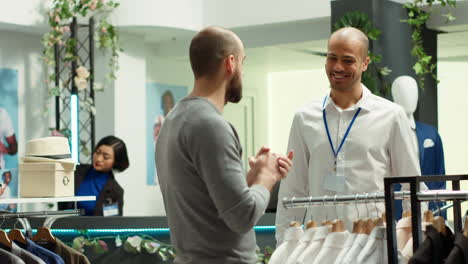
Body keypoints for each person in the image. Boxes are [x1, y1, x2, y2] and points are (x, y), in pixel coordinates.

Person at [275, 27, 426, 245]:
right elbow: (292, 190)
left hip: (374, 244)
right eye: (331, 58)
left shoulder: (392, 116)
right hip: (318, 246)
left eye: (347, 60)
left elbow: (411, 184)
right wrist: (284, 246)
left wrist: (412, 244)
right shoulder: (304, 117)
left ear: (365, 63)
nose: (337, 67)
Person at [156, 26, 294, 264]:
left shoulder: (174, 119)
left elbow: (213, 205)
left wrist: (249, 180)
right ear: (230, 63)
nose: (243, 70)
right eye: (243, 62)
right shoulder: (211, 125)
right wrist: (266, 177)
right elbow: (242, 216)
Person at [392, 75, 446, 219]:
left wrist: (441, 213)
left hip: (429, 209)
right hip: (397, 209)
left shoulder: (431, 133)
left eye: (412, 92)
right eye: (402, 93)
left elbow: (440, 176)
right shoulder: (388, 133)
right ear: (394, 97)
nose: (408, 97)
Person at [60, 136, 129, 216]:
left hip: (92, 228)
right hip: (64, 226)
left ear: (116, 161)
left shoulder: (115, 191)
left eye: (105, 157)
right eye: (97, 152)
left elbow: (112, 224)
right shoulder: (74, 171)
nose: (99, 159)